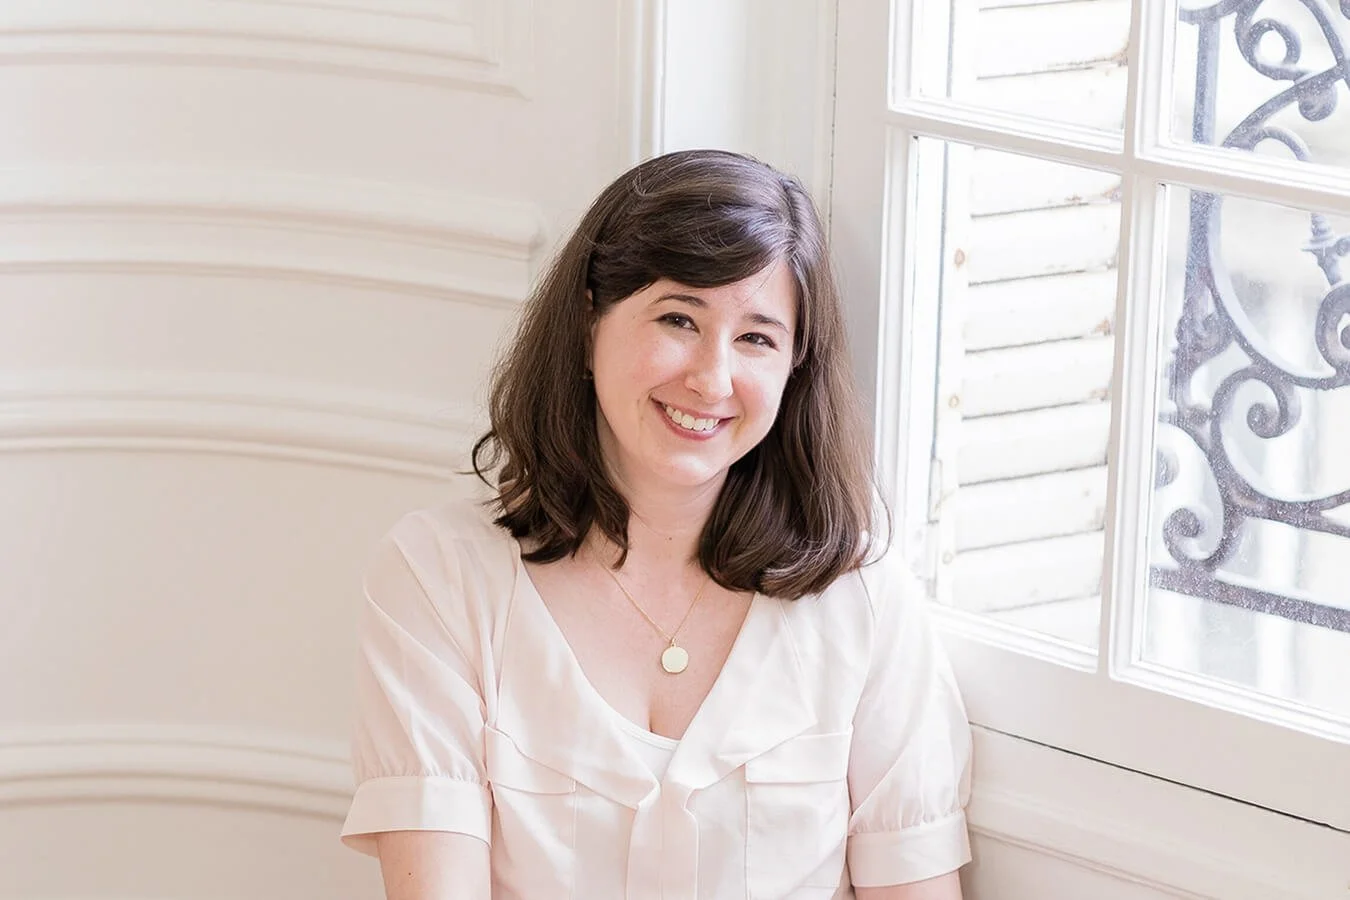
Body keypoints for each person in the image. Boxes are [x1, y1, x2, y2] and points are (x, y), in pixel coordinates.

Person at [339, 149, 973, 899]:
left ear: (794, 369)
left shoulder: (863, 601)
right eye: (679, 318)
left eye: (757, 338)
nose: (711, 379)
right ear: (587, 323)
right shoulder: (439, 577)